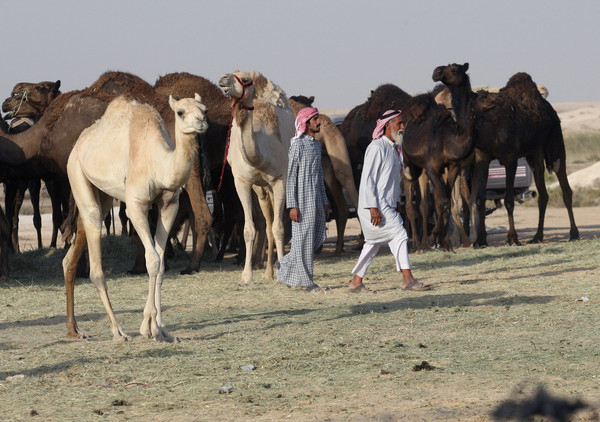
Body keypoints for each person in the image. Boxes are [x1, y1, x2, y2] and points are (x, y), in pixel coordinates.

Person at [349, 110, 431, 293]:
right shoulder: (376, 147)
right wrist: (372, 208)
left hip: (387, 205)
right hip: (374, 206)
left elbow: (391, 181)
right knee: (400, 234)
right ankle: (408, 279)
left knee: (373, 244)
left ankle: (356, 282)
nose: (402, 127)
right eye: (399, 124)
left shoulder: (394, 149)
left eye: (403, 124)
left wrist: (397, 201)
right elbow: (368, 179)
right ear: (387, 125)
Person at [278, 107, 330, 292]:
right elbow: (291, 177)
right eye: (315, 119)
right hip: (301, 200)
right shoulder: (297, 146)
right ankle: (307, 282)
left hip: (315, 199)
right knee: (303, 240)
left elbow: (319, 176)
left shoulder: (316, 145)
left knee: (312, 238)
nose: (319, 122)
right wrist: (292, 205)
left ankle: (285, 263)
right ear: (306, 123)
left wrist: (324, 202)